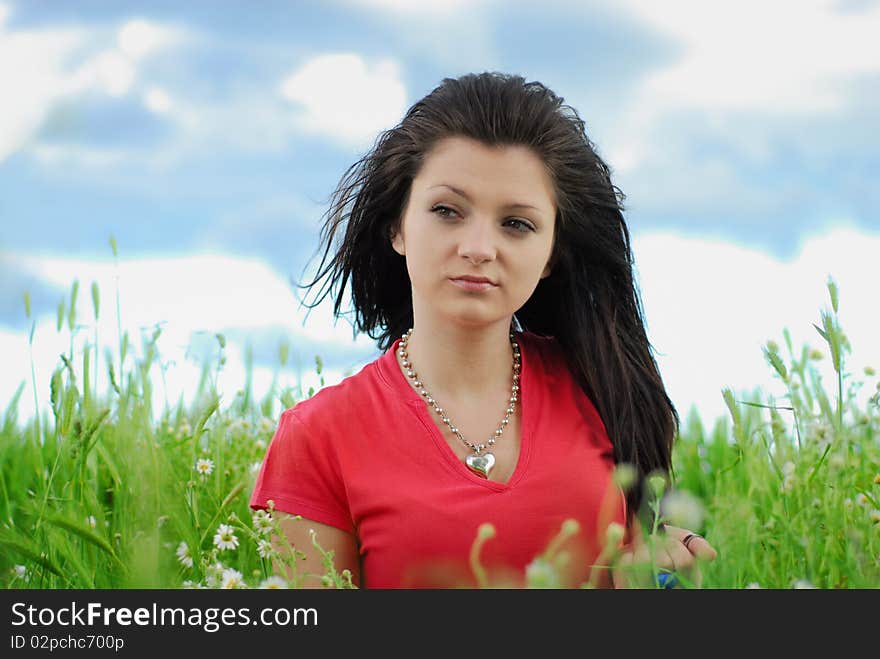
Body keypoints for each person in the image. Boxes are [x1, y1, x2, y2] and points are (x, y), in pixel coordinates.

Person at [249, 71, 717, 588]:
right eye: (447, 211)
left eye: (516, 223)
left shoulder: (606, 389)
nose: (478, 247)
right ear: (397, 226)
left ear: (551, 255)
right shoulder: (317, 437)